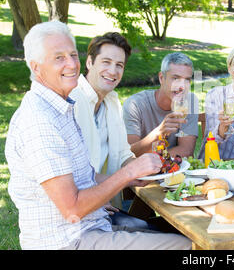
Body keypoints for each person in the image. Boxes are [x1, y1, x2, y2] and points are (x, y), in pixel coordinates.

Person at [5, 20, 191, 250]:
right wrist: (129, 173)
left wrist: (133, 176)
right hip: (67, 240)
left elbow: (86, 174)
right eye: (59, 57)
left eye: (73, 55)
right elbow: (72, 208)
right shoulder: (40, 121)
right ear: (36, 67)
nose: (72, 64)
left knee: (181, 232)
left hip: (93, 223)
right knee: (187, 247)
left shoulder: (63, 108)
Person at [70, 32, 151, 229]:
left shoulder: (112, 102)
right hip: (79, 211)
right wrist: (97, 199)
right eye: (106, 62)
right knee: (151, 230)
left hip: (108, 204)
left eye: (119, 65)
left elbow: (124, 153)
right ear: (90, 62)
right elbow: (69, 172)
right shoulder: (73, 101)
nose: (113, 71)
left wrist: (143, 172)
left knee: (155, 226)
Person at [123, 52, 198, 158]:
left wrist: (158, 161)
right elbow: (130, 154)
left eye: (187, 80)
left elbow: (186, 150)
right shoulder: (135, 104)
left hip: (174, 170)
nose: (182, 86)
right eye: (176, 78)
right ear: (161, 78)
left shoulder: (189, 101)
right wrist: (159, 133)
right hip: (142, 172)